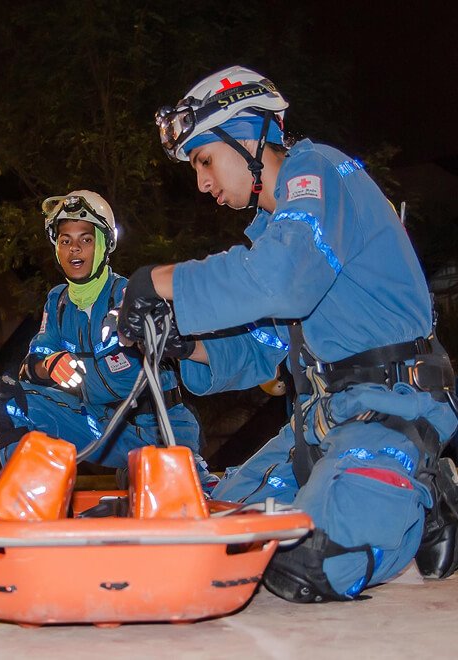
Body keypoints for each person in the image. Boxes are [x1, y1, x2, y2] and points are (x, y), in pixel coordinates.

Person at [117, 65, 458, 602]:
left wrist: (163, 281)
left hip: (391, 411)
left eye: (204, 160)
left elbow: (281, 283)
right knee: (218, 534)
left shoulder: (319, 173)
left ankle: (426, 500)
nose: (203, 182)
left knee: (309, 561)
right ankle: (368, 491)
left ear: (248, 134)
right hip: (320, 427)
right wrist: (186, 342)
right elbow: (263, 348)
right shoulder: (280, 235)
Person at [0, 190, 214, 486]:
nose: (74, 249)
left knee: (181, 500)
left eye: (86, 239)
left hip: (160, 426)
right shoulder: (57, 302)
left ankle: (183, 479)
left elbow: (180, 328)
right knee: (1, 399)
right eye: (66, 240)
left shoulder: (130, 293)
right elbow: (31, 366)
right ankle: (27, 509)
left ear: (104, 244)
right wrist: (49, 365)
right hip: (101, 427)